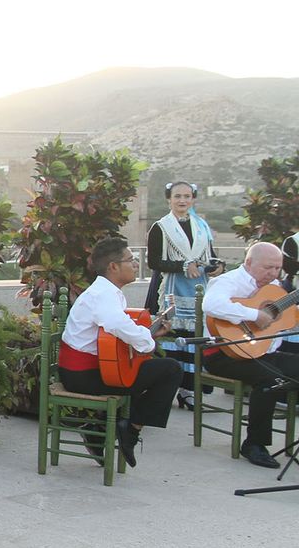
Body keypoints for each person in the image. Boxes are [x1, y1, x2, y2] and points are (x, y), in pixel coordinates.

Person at [57, 237, 184, 467]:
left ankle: (98, 429)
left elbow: (114, 338)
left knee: (144, 368)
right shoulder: (103, 295)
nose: (135, 264)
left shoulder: (107, 291)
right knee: (171, 370)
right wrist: (148, 342)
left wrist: (150, 334)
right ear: (113, 266)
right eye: (131, 260)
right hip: (83, 375)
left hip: (89, 369)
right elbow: (117, 325)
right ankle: (130, 430)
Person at [201, 242, 299, 469]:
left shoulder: (275, 288)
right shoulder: (227, 281)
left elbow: (287, 320)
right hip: (224, 354)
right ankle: (254, 444)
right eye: (268, 268)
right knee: (271, 380)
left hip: (263, 352)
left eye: (278, 268)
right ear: (248, 263)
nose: (274, 274)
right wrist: (254, 314)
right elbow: (211, 304)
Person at [143, 181, 221, 407]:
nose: (182, 201)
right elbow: (154, 261)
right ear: (169, 199)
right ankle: (164, 389)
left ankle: (189, 390)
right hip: (170, 287)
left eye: (187, 196)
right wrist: (184, 266)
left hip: (198, 289)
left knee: (193, 339)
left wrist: (216, 266)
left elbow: (210, 255)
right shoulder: (161, 227)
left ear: (193, 199)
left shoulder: (201, 226)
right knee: (170, 336)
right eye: (177, 196)